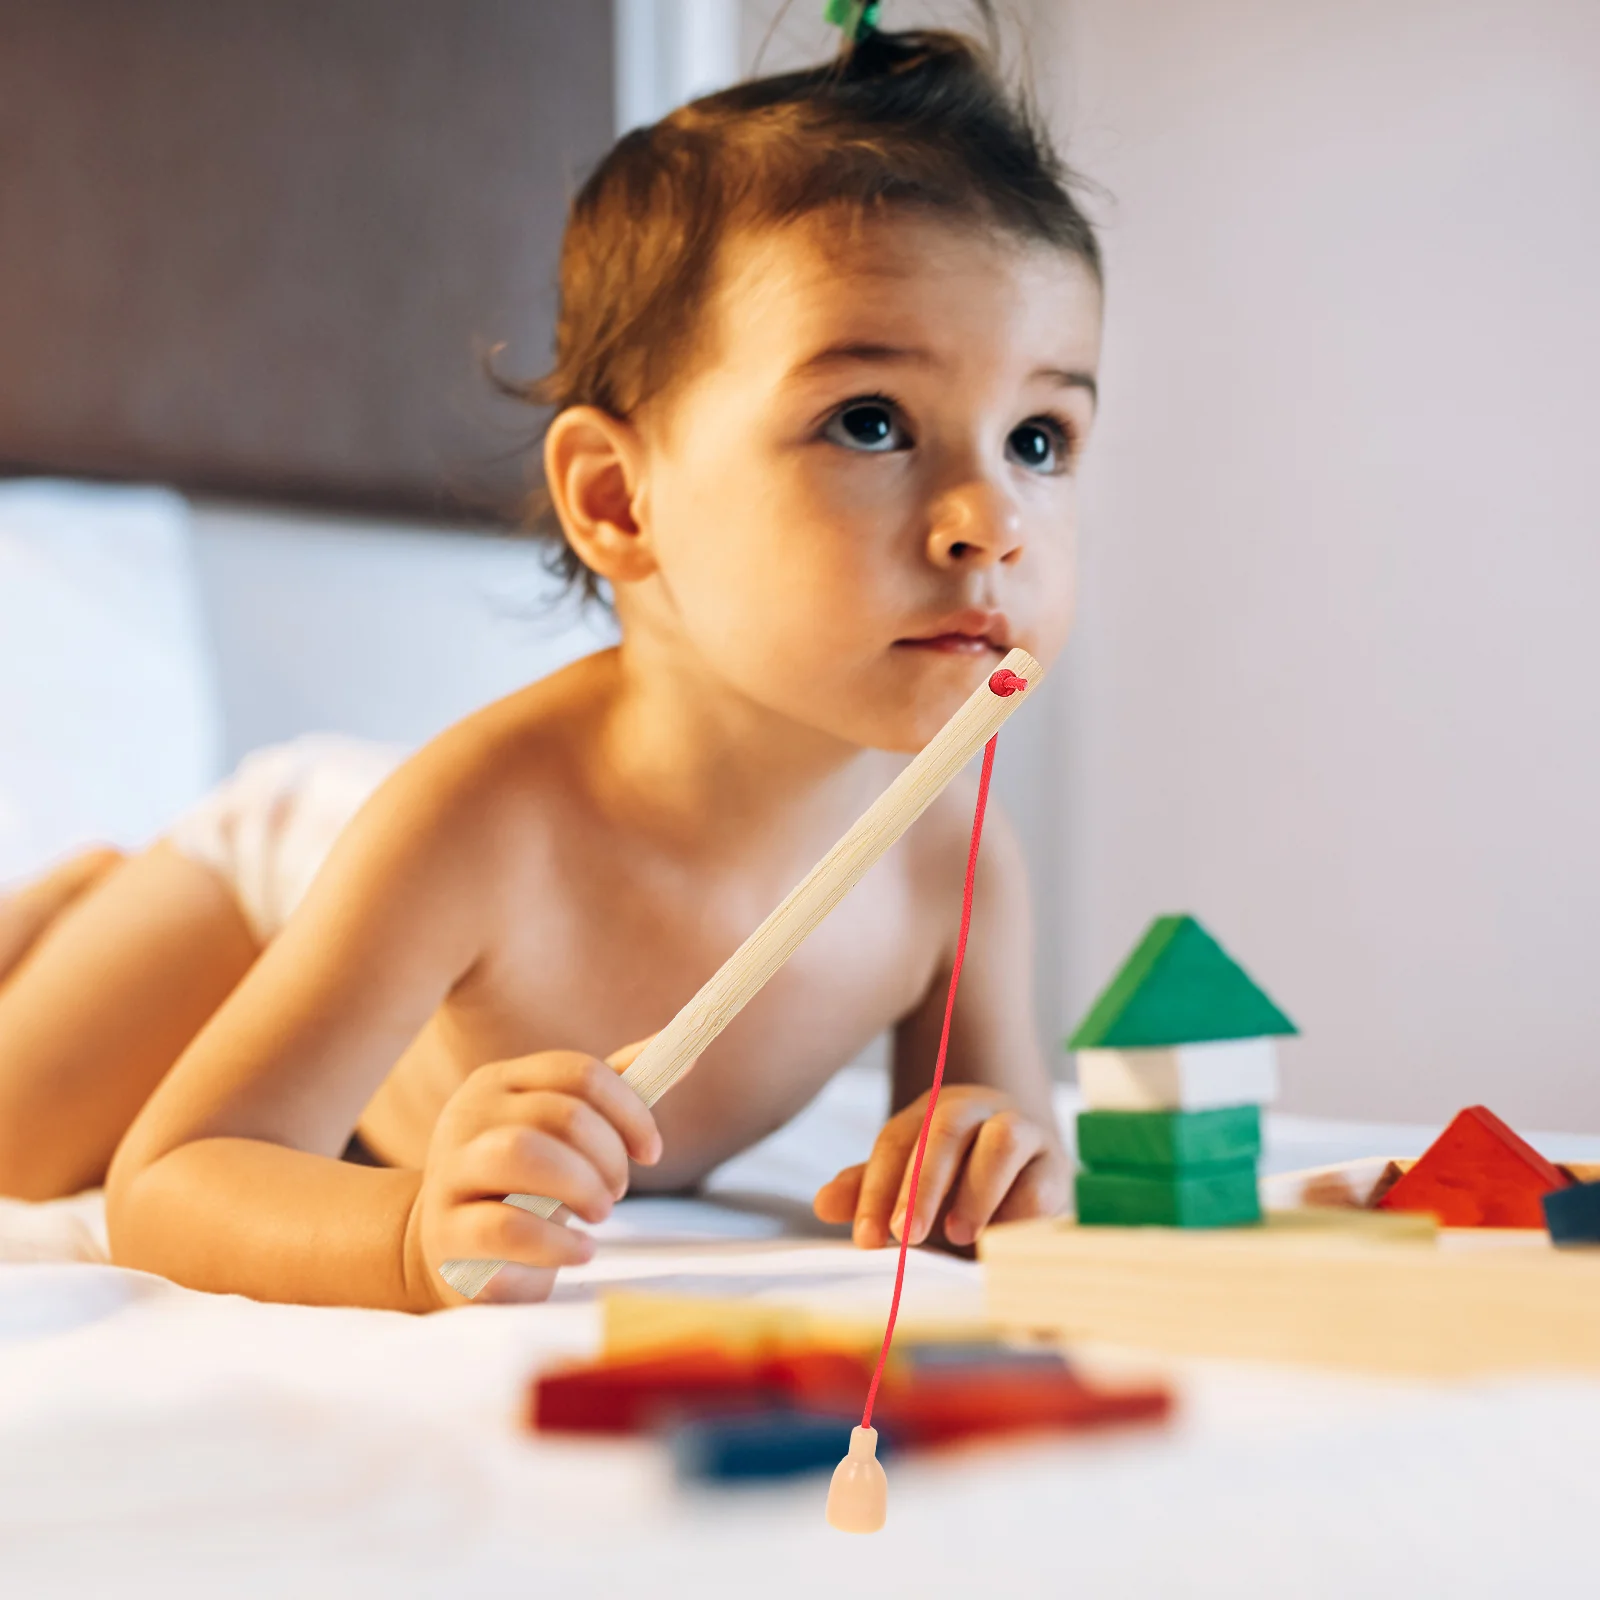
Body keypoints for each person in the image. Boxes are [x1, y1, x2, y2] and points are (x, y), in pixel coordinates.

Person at [0, 20, 1103, 1310]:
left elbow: (996, 1162)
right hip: (277, 890)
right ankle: (74, 907)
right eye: (870, 422)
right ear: (620, 502)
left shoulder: (944, 852)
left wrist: (990, 1163)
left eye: (1039, 437)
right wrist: (406, 1234)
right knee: (22, 1143)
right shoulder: (479, 825)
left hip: (407, 977)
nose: (994, 520)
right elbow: (176, 1176)